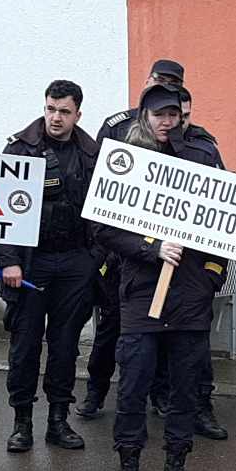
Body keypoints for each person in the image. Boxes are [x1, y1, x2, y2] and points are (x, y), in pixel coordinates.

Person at [97, 82, 228, 471]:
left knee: (184, 387)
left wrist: (210, 274)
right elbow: (103, 229)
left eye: (173, 114)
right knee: (133, 383)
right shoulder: (126, 161)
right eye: (159, 115)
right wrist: (150, 248)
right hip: (141, 293)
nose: (167, 122)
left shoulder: (204, 156)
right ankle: (128, 466)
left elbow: (227, 224)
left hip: (190, 294)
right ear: (145, 117)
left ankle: (176, 465)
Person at [76, 58, 184, 419]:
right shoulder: (119, 128)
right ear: (147, 82)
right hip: (120, 256)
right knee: (112, 328)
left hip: (168, 257)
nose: (164, 87)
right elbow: (100, 189)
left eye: (172, 84)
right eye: (158, 80)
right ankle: (95, 391)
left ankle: (160, 394)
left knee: (163, 332)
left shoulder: (189, 139)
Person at [0, 80, 98, 453]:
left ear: (77, 114)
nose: (56, 118)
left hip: (75, 261)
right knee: (24, 346)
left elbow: (102, 213)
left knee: (65, 345)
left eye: (64, 112)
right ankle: (22, 421)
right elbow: (1, 207)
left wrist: (94, 262)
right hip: (30, 262)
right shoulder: (20, 149)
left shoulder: (91, 152)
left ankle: (59, 420)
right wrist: (8, 261)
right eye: (51, 109)